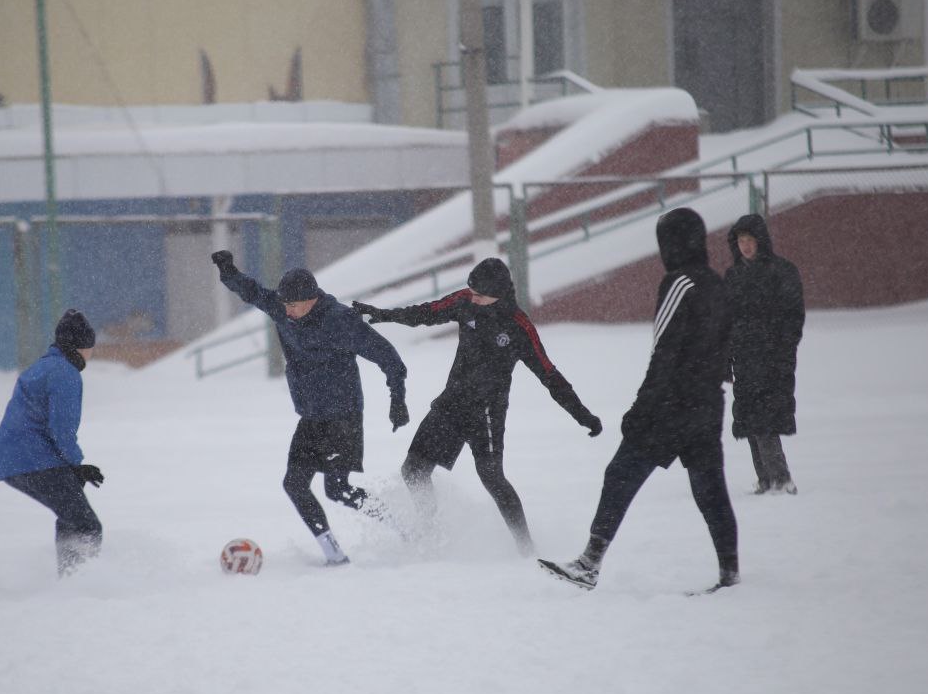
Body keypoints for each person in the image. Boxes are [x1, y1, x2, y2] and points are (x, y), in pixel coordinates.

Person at [538, 208, 739, 592]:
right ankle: (729, 572)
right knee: (710, 488)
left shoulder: (678, 283)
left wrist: (641, 409)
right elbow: (728, 348)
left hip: (671, 404)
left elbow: (663, 352)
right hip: (708, 402)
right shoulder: (717, 284)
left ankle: (589, 564)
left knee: (620, 474)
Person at [353, 257, 602, 556]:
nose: (473, 298)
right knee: (413, 470)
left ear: (499, 293)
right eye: (471, 292)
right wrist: (384, 315)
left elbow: (549, 375)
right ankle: (428, 532)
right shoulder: (465, 301)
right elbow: (426, 312)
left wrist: (582, 415)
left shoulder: (518, 326)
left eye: (480, 295)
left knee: (492, 478)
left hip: (487, 411)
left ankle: (526, 548)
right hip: (452, 402)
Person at [210, 250, 408, 565]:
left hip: (343, 417)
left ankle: (404, 527)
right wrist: (228, 271)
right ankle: (334, 555)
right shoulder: (283, 308)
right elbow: (254, 293)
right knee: (294, 484)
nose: (286, 311)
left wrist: (397, 397)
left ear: (312, 299)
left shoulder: (340, 320)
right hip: (311, 416)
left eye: (293, 305)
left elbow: (388, 356)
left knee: (338, 490)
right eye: (284, 304)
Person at [0, 309, 105, 576]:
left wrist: (71, 468)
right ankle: (80, 582)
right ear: (82, 346)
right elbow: (61, 429)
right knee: (86, 525)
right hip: (32, 458)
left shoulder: (44, 367)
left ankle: (70, 577)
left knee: (71, 517)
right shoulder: (65, 373)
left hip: (14, 457)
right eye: (90, 345)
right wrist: (76, 464)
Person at [725, 213, 804, 495]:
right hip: (744, 360)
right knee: (749, 420)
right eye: (741, 241)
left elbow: (794, 316)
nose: (745, 246)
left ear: (761, 241)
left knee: (765, 420)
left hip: (772, 359)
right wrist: (726, 360)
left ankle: (780, 477)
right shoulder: (733, 276)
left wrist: (782, 350)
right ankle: (765, 478)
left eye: (749, 240)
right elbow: (726, 320)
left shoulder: (781, 272)